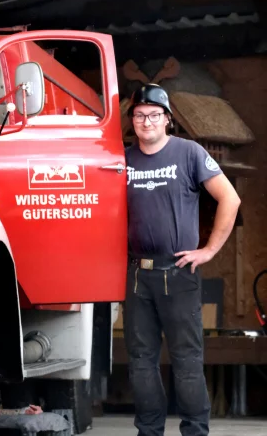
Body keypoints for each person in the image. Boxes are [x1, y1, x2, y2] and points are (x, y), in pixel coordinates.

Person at [123, 83, 241, 436]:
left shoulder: (189, 153)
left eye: (154, 115)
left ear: (167, 119)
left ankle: (195, 431)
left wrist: (209, 250)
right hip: (136, 274)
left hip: (178, 272)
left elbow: (230, 199)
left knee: (187, 360)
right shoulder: (122, 159)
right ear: (132, 120)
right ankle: (149, 432)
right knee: (141, 362)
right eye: (139, 115)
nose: (147, 121)